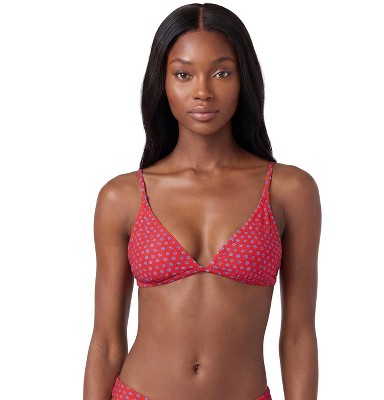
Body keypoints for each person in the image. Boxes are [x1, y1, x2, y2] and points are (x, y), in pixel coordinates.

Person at [83, 3, 321, 400]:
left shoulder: (289, 191)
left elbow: (298, 336)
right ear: (162, 83)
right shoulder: (121, 197)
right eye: (183, 74)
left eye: (222, 72)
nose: (202, 91)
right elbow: (106, 341)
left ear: (244, 79)